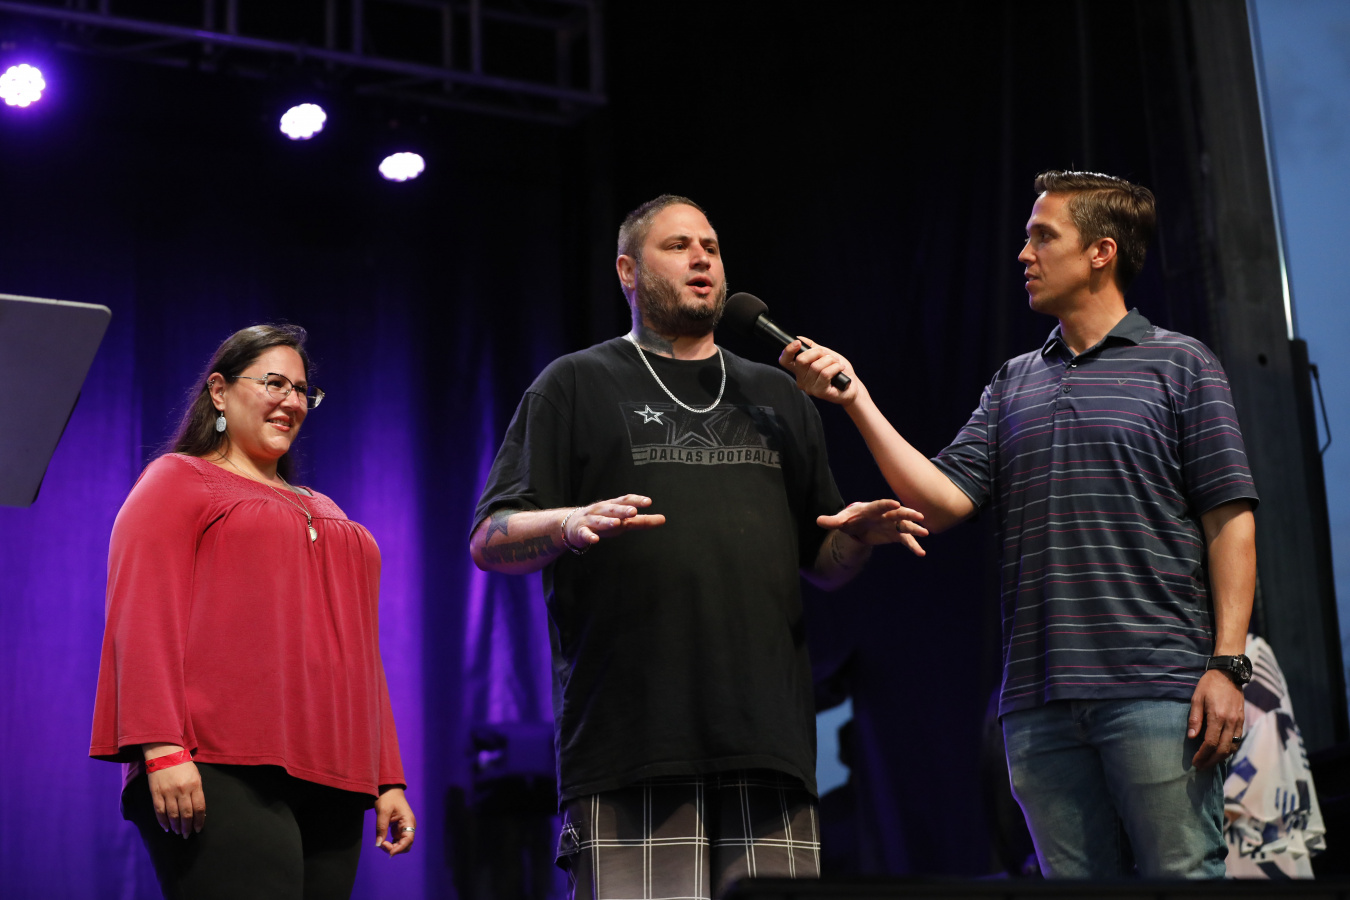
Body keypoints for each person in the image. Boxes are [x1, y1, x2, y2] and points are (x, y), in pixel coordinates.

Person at [778, 171, 1259, 878]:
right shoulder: (1014, 382)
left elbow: (1230, 522)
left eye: (1043, 237)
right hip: (1039, 703)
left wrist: (1227, 665)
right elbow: (941, 501)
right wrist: (856, 400)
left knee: (1182, 879)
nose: (1024, 254)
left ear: (1100, 252)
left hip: (1156, 691)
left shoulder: (1180, 365)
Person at [470, 194, 928, 899]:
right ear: (628, 271)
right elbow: (490, 538)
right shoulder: (574, 384)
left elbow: (824, 564)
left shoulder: (778, 395)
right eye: (678, 246)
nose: (701, 259)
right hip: (632, 745)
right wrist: (567, 523)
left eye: (710, 247)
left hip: (769, 745)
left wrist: (857, 539)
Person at [90, 324, 415, 900]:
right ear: (219, 391)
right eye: (274, 383)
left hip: (335, 771)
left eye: (302, 390)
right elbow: (140, 618)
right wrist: (161, 747)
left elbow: (362, 650)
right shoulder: (179, 479)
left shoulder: (324, 506)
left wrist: (387, 776)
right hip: (217, 763)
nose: (292, 401)